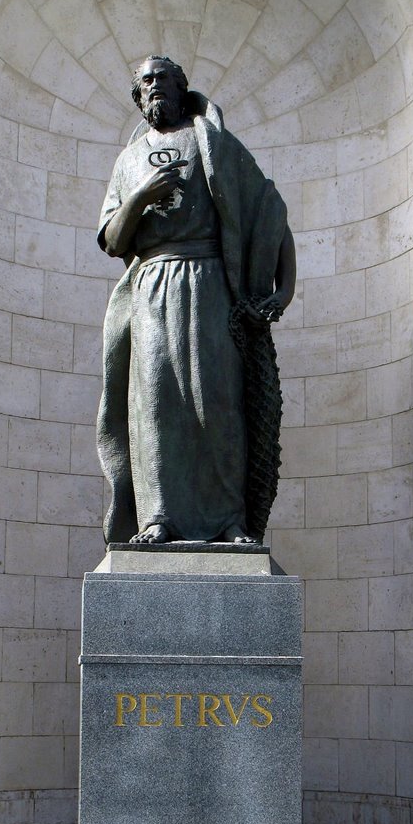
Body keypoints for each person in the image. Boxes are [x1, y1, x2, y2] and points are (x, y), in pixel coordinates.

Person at [97, 55, 296, 545]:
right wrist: (140, 196)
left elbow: (270, 216)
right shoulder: (128, 161)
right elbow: (114, 241)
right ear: (138, 98)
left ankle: (230, 520)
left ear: (182, 87)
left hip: (213, 287)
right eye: (145, 82)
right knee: (157, 404)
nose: (154, 86)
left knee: (220, 403)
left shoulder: (217, 146)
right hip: (153, 289)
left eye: (162, 78)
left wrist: (283, 290)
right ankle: (157, 517)